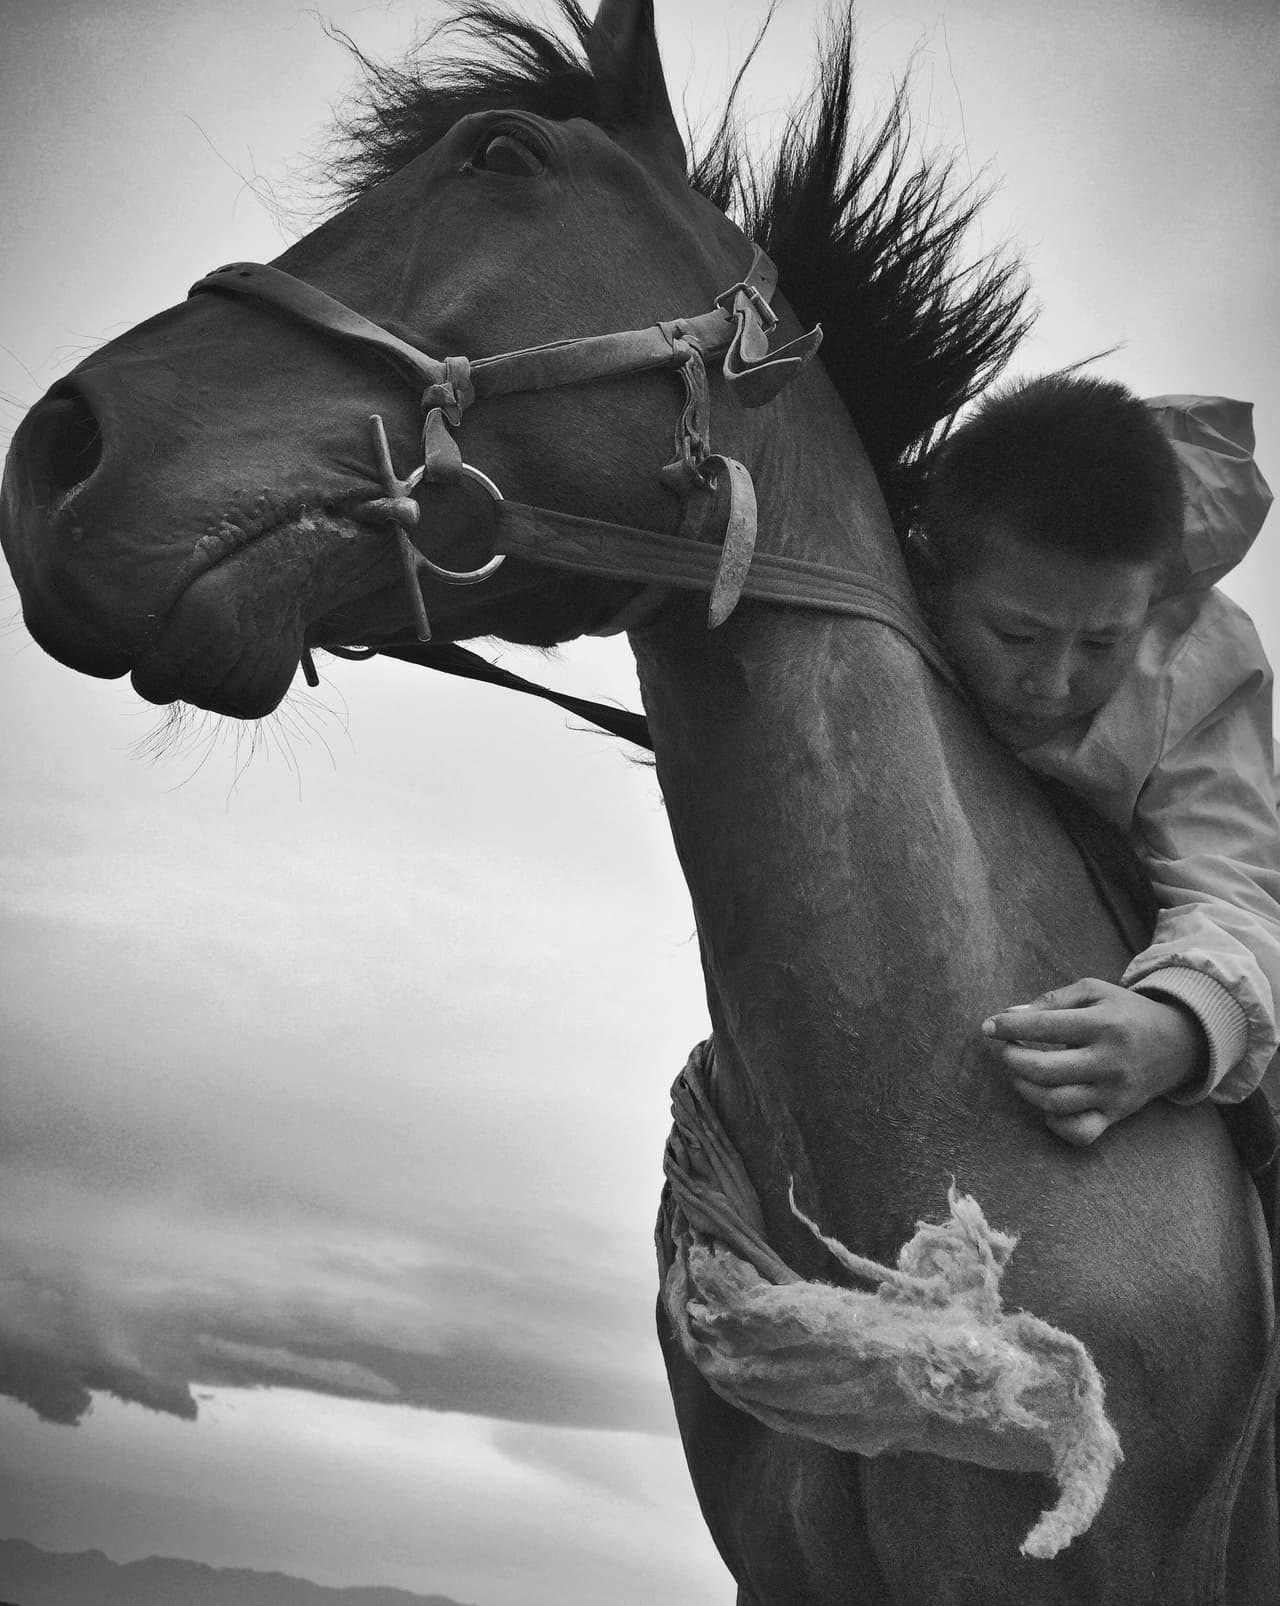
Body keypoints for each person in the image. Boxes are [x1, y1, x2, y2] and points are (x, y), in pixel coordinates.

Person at [911, 376, 1279, 1145]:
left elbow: (1239, 886)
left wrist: (1180, 1028)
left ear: (1147, 603)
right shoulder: (888, 568)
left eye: (1102, 644)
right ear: (930, 572)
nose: (1050, 683)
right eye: (1016, 636)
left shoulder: (1200, 664)